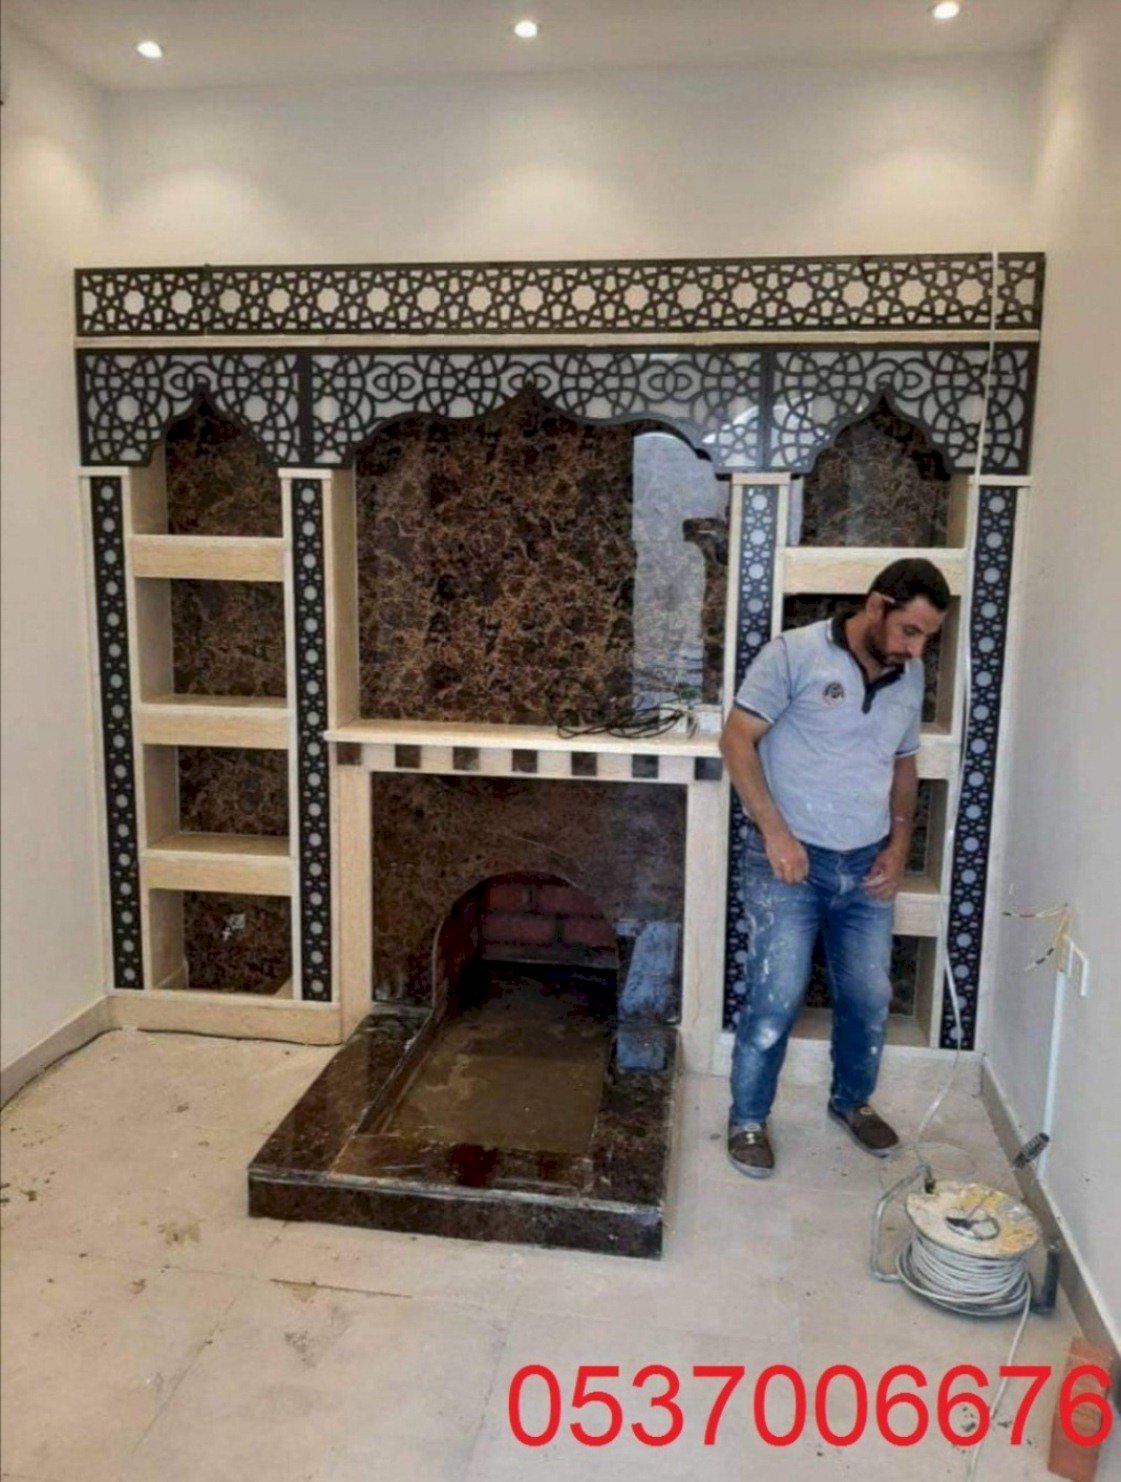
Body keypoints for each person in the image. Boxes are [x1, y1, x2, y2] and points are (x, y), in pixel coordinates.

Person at [720, 557, 950, 1178]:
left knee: (869, 996)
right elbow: (736, 740)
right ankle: (747, 1119)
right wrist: (777, 834)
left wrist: (899, 847)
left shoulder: (909, 674)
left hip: (867, 864)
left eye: (927, 637)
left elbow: (903, 763)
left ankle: (851, 1101)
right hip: (787, 862)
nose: (916, 649)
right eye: (909, 631)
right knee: (775, 996)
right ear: (876, 606)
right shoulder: (794, 655)